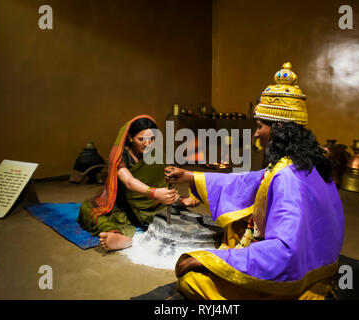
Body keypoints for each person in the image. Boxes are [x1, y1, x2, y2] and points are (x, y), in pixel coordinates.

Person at [165, 62, 345, 300]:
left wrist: (212, 260)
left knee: (192, 281)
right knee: (235, 224)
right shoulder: (309, 160)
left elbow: (284, 251)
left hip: (296, 278)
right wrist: (191, 176)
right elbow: (250, 181)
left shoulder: (287, 177)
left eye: (260, 126)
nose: (256, 133)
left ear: (279, 128)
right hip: (320, 261)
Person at [78, 115, 199, 252]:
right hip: (125, 204)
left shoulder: (157, 155)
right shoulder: (120, 156)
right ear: (130, 137)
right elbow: (129, 182)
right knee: (89, 210)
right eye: (141, 139)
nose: (147, 144)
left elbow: (163, 186)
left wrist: (177, 197)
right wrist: (154, 193)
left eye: (152, 139)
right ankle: (117, 236)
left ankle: (179, 202)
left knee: (179, 219)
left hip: (151, 204)